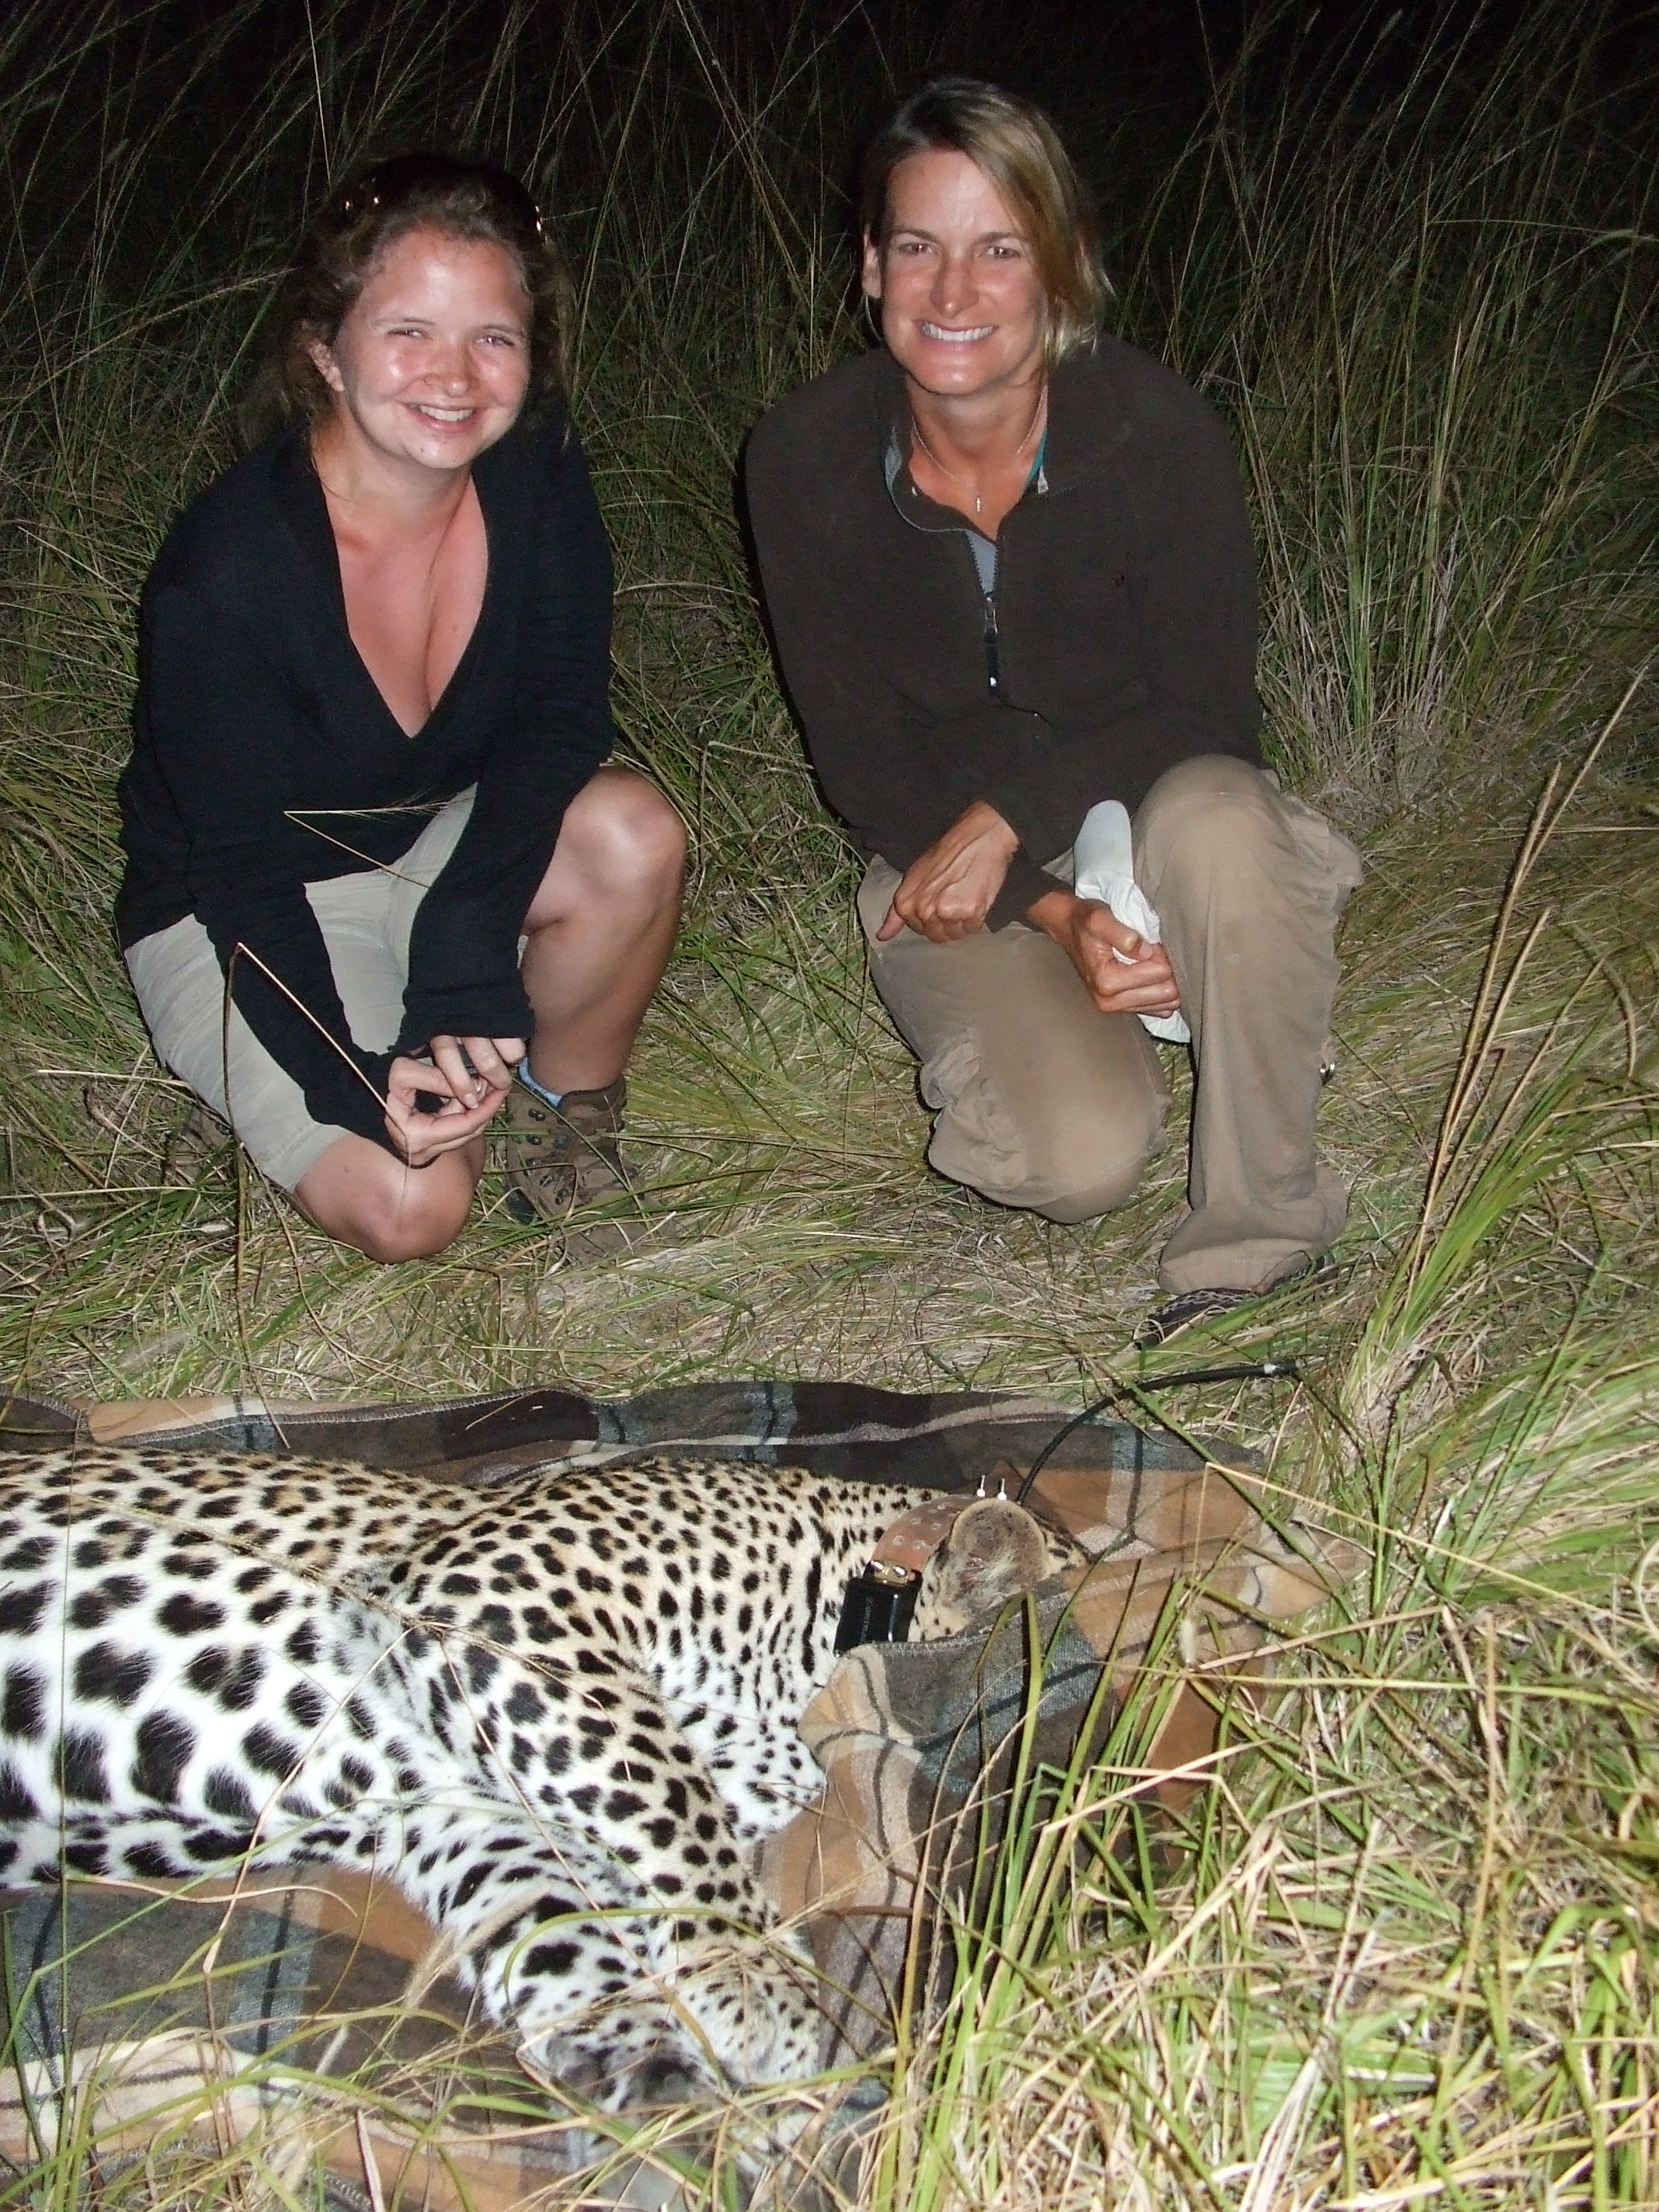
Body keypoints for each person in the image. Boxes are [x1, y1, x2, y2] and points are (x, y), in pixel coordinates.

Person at [745, 78, 1364, 1344]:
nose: (954, 292)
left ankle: (1259, 1238)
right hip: (945, 858)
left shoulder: (1154, 432)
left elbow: (1208, 711)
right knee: (1076, 1164)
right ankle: (1181, 1000)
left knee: (1221, 828)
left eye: (999, 249)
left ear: (1067, 269)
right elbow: (859, 758)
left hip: (1162, 811)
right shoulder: (802, 457)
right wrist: (1053, 906)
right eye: (917, 246)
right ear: (869, 267)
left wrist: (1014, 813)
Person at [117, 153, 685, 1261]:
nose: (456, 375)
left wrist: (465, 941)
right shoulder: (227, 572)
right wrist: (357, 1069)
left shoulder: (539, 474)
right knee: (413, 1209)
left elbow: (564, 717)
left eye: (494, 336)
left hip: (434, 858)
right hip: (243, 919)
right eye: (409, 331)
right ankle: (246, 1088)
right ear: (326, 351)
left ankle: (560, 1118)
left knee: (633, 832)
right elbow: (235, 866)